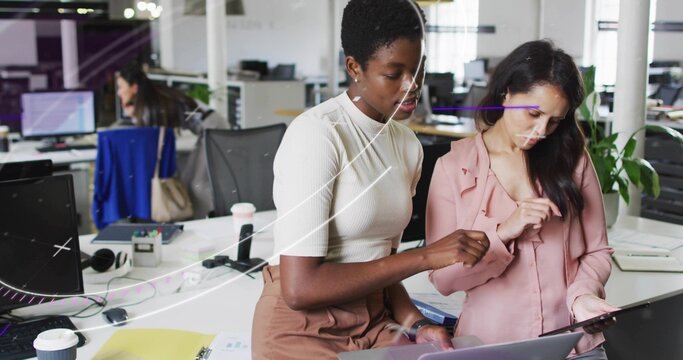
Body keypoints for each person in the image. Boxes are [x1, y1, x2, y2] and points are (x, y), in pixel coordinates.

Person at [251, 1, 490, 359]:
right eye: (394, 73)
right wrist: (425, 257)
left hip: (374, 320)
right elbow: (299, 289)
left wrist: (415, 323)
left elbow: (381, 263)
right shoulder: (319, 135)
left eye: (419, 69)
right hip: (303, 328)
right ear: (355, 67)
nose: (413, 86)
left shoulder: (407, 145)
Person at [425, 40, 617, 359]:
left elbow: (597, 249)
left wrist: (583, 295)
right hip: (490, 346)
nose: (541, 130)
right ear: (507, 92)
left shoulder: (573, 159)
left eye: (554, 121)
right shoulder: (452, 169)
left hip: (574, 346)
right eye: (533, 114)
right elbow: (443, 279)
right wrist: (502, 233)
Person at [115, 64, 229, 218]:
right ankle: (198, 218)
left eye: (121, 87)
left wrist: (134, 115)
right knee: (188, 179)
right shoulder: (153, 97)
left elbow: (150, 136)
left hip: (214, 128)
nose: (118, 92)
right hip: (207, 128)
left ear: (134, 88)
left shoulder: (150, 103)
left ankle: (212, 220)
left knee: (198, 184)